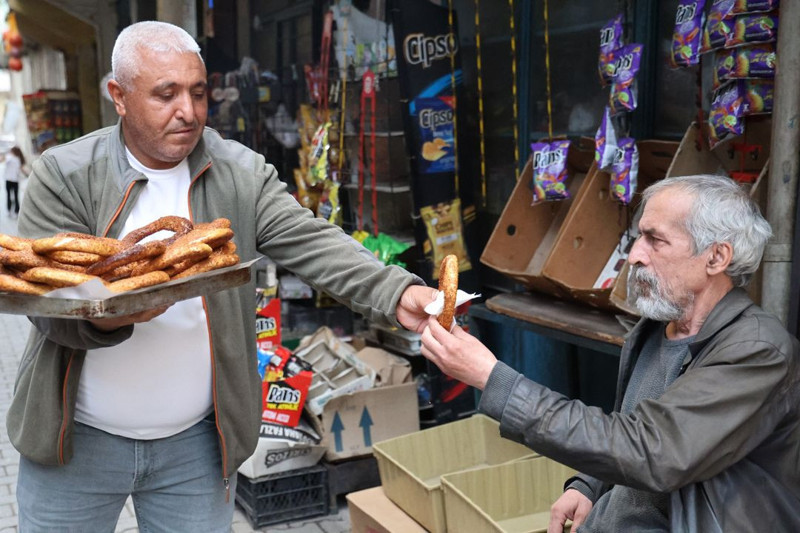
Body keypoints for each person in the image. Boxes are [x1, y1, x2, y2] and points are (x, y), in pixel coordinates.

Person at [8, 21, 435, 532]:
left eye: (197, 92)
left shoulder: (241, 174)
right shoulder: (64, 174)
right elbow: (44, 302)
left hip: (197, 447)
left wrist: (397, 290)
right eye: (165, 95)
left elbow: (312, 240)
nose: (187, 112)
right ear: (119, 96)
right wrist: (108, 319)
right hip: (76, 443)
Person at [420, 174, 800, 532]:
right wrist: (588, 484)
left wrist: (491, 378)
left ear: (716, 258)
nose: (634, 255)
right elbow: (629, 428)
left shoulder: (757, 353)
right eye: (637, 238)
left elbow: (654, 452)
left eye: (655, 240)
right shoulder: (655, 328)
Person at [4, 145, 25, 217]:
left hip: (9, 180)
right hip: (15, 181)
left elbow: (3, 160)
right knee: (15, 196)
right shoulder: (18, 159)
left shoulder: (10, 158)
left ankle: (9, 211)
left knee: (9, 196)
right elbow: (21, 170)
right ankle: (16, 211)